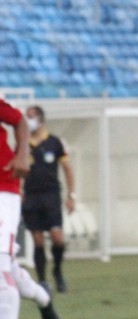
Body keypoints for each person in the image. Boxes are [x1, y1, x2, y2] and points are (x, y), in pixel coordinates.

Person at [22, 106, 75, 294]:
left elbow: (68, 169)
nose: (27, 120)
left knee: (57, 238)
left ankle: (58, 272)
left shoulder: (56, 142)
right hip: (31, 196)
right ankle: (43, 281)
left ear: (40, 119)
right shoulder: (23, 144)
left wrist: (71, 195)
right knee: (37, 240)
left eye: (31, 117)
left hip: (51, 196)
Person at [0, 98, 32, 317]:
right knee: (9, 268)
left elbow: (20, 121)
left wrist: (22, 155)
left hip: (3, 188)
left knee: (0, 274)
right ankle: (44, 299)